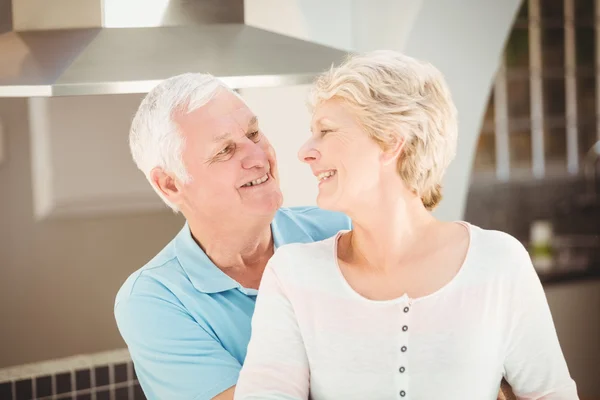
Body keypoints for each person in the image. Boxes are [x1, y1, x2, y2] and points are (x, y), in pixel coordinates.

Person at [234, 50, 579, 399]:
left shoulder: (498, 262)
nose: (305, 151)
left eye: (326, 130)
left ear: (390, 142)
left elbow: (551, 394)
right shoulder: (294, 276)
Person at [113, 73, 352, 400]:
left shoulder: (340, 230)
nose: (259, 157)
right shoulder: (154, 299)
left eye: (254, 133)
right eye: (225, 150)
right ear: (170, 184)